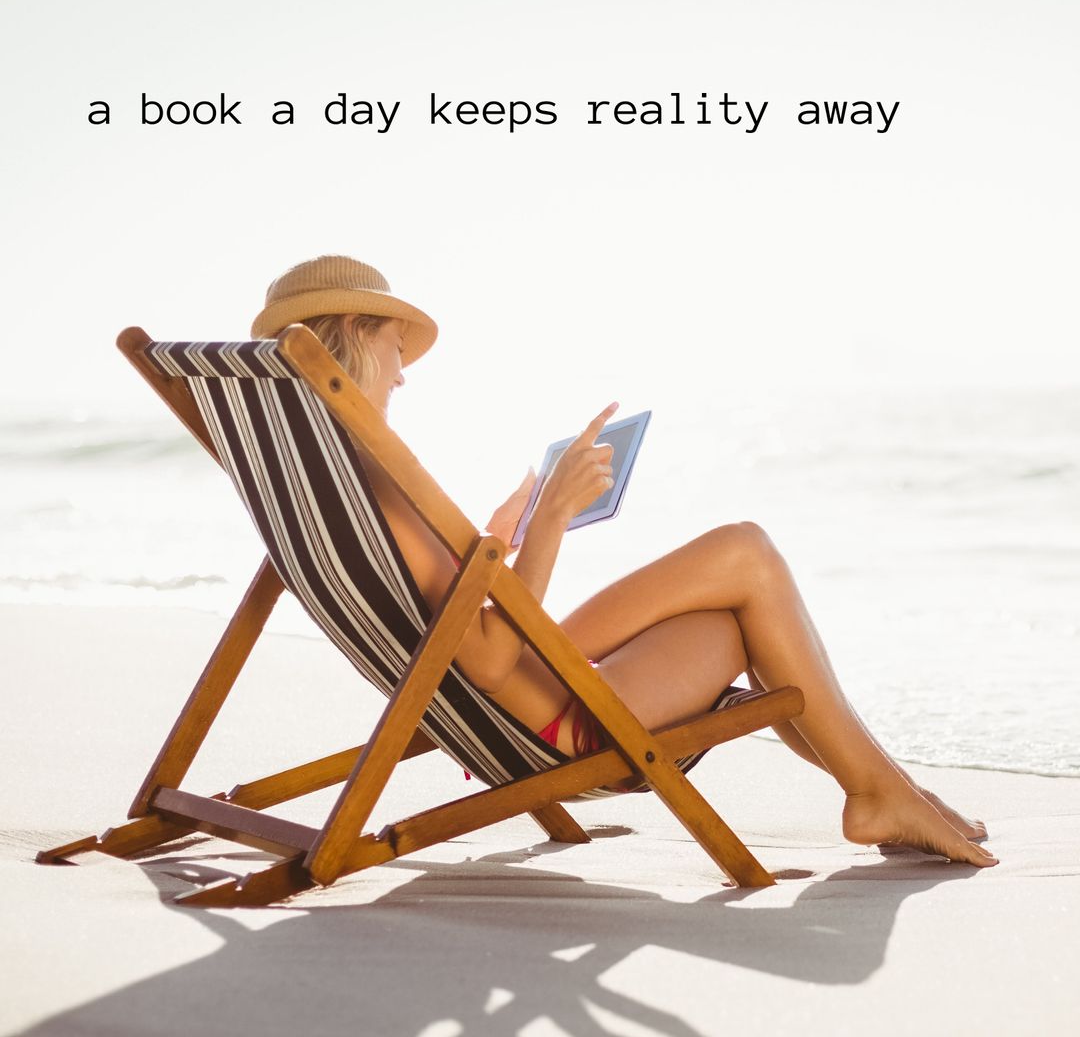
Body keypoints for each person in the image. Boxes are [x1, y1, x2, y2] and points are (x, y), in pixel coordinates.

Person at [252, 255, 997, 868]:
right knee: (746, 566)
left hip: (511, 694)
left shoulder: (322, 469)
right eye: (394, 347)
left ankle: (887, 790)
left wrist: (499, 538)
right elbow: (485, 659)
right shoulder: (377, 471)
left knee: (742, 560)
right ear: (354, 336)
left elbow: (437, 609)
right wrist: (550, 520)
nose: (402, 373)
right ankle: (883, 792)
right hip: (549, 722)